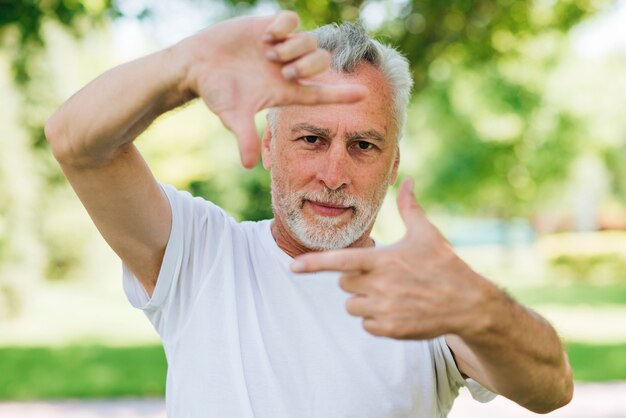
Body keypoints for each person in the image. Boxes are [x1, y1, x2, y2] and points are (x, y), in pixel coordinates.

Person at [45, 11, 573, 417]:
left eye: (364, 144)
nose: (335, 173)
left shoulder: (427, 294)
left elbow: (552, 388)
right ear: (271, 145)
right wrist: (184, 67)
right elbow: (77, 143)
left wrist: (480, 307)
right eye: (312, 139)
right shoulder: (200, 254)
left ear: (394, 164)